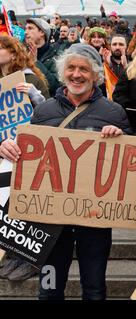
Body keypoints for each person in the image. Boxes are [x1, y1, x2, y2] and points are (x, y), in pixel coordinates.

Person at [0, 43, 132, 300]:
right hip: (49, 224)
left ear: (95, 75)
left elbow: (131, 158)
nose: (76, 74)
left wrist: (121, 135)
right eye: (71, 68)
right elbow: (24, 152)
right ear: (63, 73)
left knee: (94, 290)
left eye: (84, 69)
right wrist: (4, 146)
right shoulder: (43, 110)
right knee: (49, 290)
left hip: (95, 221)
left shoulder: (114, 112)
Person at [0, 35, 49, 282]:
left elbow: (51, 115)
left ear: (12, 52)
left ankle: (26, 258)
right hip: (4, 152)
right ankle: (9, 254)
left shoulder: (29, 78)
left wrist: (35, 96)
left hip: (30, 152)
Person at [25, 18, 60, 96]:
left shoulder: (55, 55)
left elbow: (55, 86)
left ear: (42, 32)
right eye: (26, 28)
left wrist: (35, 62)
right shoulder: (22, 53)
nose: (25, 32)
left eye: (30, 28)